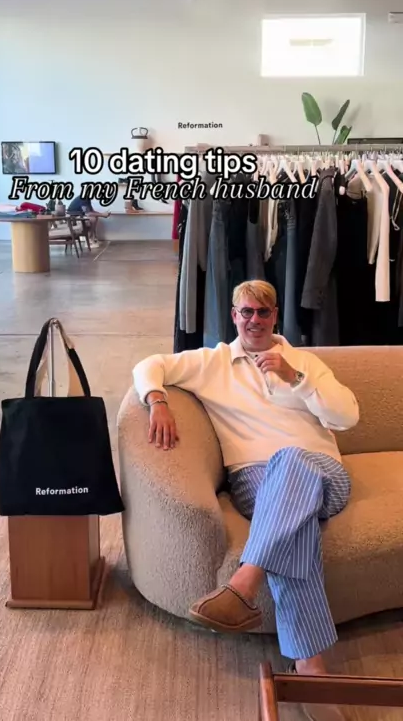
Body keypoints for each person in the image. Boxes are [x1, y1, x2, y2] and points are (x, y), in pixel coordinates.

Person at [132, 279, 360, 721]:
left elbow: (347, 416)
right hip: (254, 478)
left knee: (291, 458)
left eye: (263, 312)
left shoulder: (304, 363)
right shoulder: (212, 362)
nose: (254, 320)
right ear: (234, 315)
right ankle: (311, 668)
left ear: (275, 316)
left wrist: (296, 379)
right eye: (246, 312)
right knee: (296, 527)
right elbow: (149, 364)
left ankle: (243, 584)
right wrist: (157, 401)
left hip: (322, 473)